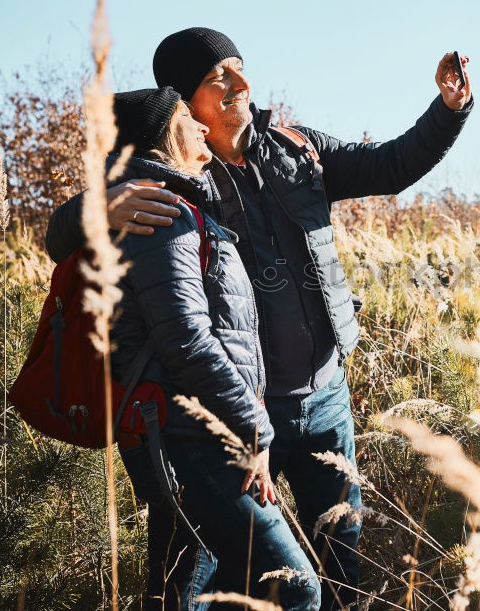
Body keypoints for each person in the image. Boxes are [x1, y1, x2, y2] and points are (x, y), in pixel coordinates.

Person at [45, 29, 473, 609]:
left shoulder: (296, 148)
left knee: (340, 558)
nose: (239, 85)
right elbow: (61, 235)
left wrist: (448, 110)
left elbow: (389, 167)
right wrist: (96, 206)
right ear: (180, 101)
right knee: (241, 578)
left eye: (239, 69)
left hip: (326, 395)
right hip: (245, 406)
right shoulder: (174, 178)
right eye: (217, 77)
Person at [104, 87, 319, 610]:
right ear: (159, 137)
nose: (202, 127)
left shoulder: (177, 206)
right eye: (185, 118)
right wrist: (253, 431)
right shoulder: (162, 215)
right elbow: (188, 341)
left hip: (190, 432)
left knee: (192, 591)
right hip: (197, 439)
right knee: (294, 589)